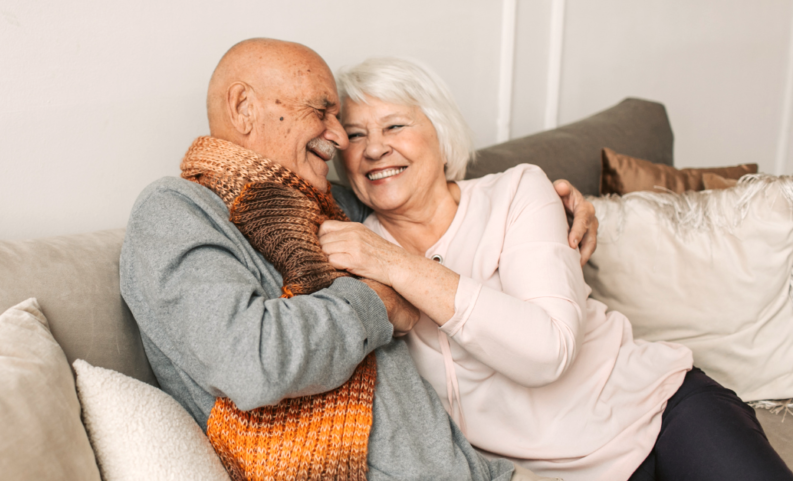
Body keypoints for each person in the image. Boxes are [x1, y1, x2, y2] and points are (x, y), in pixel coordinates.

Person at [120, 38, 593, 480]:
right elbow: (251, 362)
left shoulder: (334, 205)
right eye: (323, 113)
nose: (341, 140)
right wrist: (378, 301)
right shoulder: (176, 211)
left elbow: (435, 201)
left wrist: (560, 210)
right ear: (244, 107)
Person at [318, 56, 793, 481]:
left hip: (660, 413)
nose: (374, 149)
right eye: (356, 135)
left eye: (395, 126)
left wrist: (399, 266)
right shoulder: (352, 244)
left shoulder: (517, 192)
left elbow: (546, 351)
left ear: (441, 135)